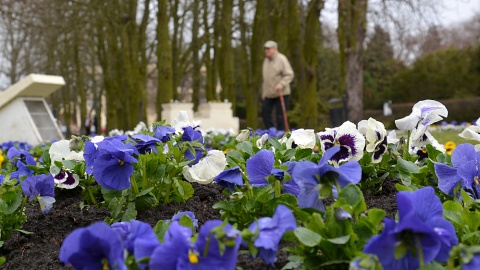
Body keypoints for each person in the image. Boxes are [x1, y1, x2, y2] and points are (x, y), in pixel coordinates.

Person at [261, 40, 294, 131]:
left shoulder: (282, 59)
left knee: (280, 116)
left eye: (268, 49)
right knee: (265, 112)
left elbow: (289, 74)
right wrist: (264, 92)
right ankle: (271, 131)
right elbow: (265, 79)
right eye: (265, 49)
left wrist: (281, 84)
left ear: (275, 49)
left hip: (281, 92)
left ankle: (281, 134)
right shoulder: (266, 61)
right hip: (269, 93)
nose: (266, 51)